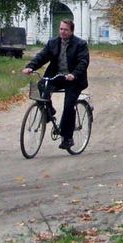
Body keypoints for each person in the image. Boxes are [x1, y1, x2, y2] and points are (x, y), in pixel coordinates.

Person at [22, 19, 89, 150]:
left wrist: (74, 74)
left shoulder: (80, 44)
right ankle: (48, 111)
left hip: (74, 79)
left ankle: (67, 138)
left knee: (69, 105)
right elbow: (42, 56)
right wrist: (30, 67)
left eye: (65, 30)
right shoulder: (53, 43)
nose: (62, 32)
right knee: (41, 85)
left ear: (71, 31)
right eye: (61, 29)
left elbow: (83, 62)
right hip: (57, 76)